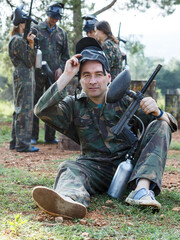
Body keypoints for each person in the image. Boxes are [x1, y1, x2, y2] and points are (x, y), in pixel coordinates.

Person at [32, 37, 177, 219]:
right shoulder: (73, 105)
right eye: (86, 75)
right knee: (68, 167)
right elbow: (40, 110)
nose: (93, 81)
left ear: (108, 77)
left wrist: (157, 111)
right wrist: (66, 75)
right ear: (80, 80)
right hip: (94, 168)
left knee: (160, 123)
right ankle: (68, 200)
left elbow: (170, 124)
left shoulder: (126, 100)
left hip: (132, 168)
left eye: (98, 74)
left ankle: (142, 191)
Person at [31, 1, 70, 145]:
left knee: (52, 105)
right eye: (53, 17)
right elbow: (30, 50)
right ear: (48, 14)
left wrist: (60, 67)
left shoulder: (62, 34)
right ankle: (33, 136)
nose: (54, 20)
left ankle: (49, 137)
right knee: (36, 103)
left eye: (57, 18)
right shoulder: (36, 29)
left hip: (54, 75)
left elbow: (66, 56)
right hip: (37, 73)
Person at [8, 5, 39, 152]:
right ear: (21, 24)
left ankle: (15, 142)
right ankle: (23, 144)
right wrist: (31, 45)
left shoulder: (16, 39)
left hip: (21, 75)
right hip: (24, 75)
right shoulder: (18, 41)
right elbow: (29, 61)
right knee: (25, 110)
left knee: (19, 108)